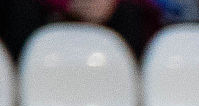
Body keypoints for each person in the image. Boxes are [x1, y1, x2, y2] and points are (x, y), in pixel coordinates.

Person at [1, 0, 161, 63]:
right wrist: (68, 4)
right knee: (22, 9)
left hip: (114, 17)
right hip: (43, 16)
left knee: (130, 15)